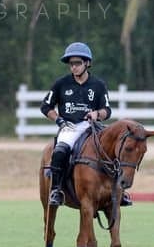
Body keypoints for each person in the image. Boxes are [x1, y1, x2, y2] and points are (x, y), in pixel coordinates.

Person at [40, 41, 117, 207]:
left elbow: (107, 110)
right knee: (60, 150)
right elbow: (45, 106)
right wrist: (59, 120)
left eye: (77, 63)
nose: (73, 67)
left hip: (92, 127)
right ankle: (56, 190)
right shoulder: (61, 83)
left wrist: (97, 114)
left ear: (87, 63)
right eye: (71, 64)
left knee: (114, 149)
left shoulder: (98, 85)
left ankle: (119, 192)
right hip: (70, 127)